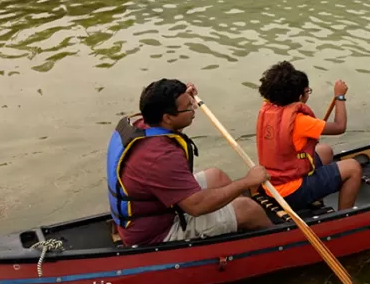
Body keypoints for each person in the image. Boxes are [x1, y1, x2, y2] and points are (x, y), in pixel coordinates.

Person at [107, 79, 273, 247]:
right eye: (188, 106)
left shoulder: (141, 122)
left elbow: (164, 110)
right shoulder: (161, 156)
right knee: (249, 209)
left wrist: (184, 94)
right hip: (155, 233)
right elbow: (196, 206)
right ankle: (276, 244)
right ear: (168, 117)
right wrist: (247, 181)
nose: (194, 107)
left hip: (153, 210)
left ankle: (235, 229)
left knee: (217, 176)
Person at [255, 61, 363, 211]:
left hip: (272, 185)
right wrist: (339, 97)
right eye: (307, 91)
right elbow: (340, 126)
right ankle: (342, 218)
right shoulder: (300, 121)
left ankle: (314, 201)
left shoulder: (268, 109)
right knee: (353, 168)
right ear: (300, 96)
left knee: (325, 150)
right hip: (292, 193)